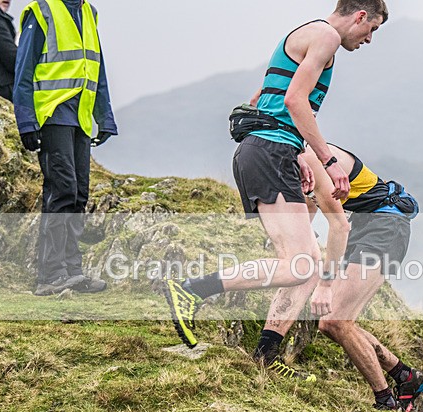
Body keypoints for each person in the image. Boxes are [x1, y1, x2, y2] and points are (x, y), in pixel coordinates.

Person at [163, 1, 389, 379]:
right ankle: (191, 289)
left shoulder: (305, 33)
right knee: (302, 264)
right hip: (269, 153)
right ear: (360, 16)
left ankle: (265, 356)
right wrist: (327, 162)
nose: (369, 40)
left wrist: (297, 150)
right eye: (372, 30)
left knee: (303, 264)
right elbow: (295, 101)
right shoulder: (327, 37)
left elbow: (260, 100)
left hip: (268, 150)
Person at [248, 143, 423, 410]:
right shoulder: (293, 160)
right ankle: (406, 376)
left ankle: (385, 401)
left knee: (335, 320)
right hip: (364, 224)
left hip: (386, 225)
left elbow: (336, 224)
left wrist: (325, 283)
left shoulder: (306, 153)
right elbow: (309, 204)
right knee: (331, 323)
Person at [14, 0, 117, 296]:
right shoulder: (41, 11)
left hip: (81, 116)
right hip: (52, 114)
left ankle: (72, 271)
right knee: (62, 190)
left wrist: (104, 117)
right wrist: (26, 122)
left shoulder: (88, 12)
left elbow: (97, 69)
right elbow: (23, 70)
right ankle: (50, 275)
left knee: (79, 193)